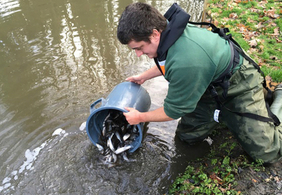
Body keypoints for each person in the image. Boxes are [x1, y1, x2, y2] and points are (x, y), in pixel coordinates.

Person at [117, 2, 282, 163]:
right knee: (187, 138)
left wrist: (140, 117)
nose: (139, 54)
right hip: (208, 85)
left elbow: (173, 111)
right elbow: (169, 63)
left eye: (139, 48)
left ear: (154, 34)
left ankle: (278, 95)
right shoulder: (167, 32)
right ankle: (227, 115)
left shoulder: (187, 59)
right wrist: (144, 76)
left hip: (238, 84)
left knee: (267, 153)